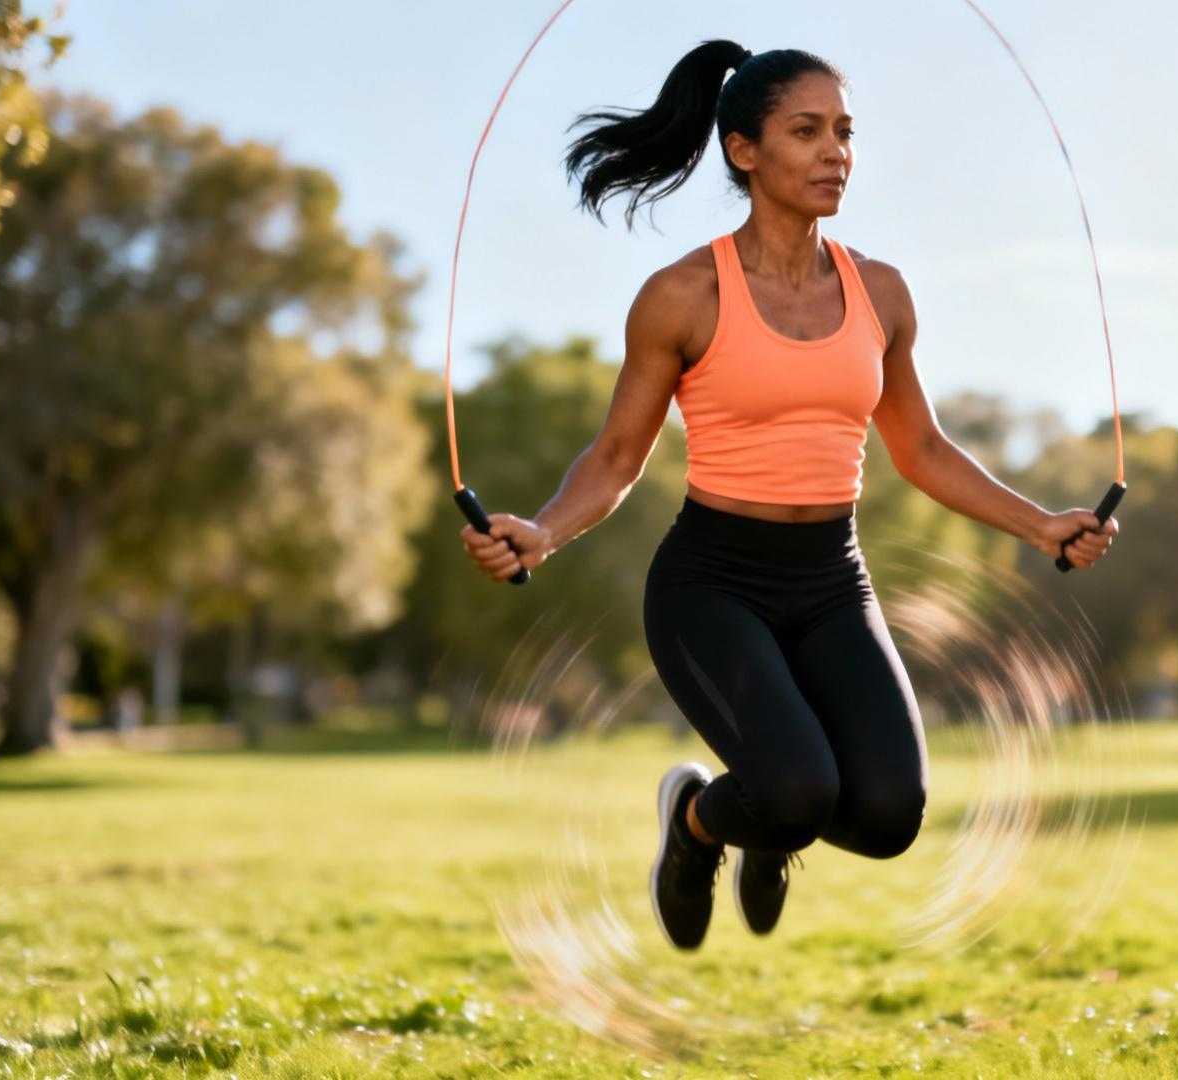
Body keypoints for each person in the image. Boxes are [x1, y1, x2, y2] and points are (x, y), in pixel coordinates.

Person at [459, 40, 1119, 950]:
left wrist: (1040, 525)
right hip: (712, 582)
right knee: (797, 789)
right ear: (744, 151)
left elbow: (921, 448)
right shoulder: (683, 296)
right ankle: (699, 822)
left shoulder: (881, 293)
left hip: (831, 580)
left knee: (888, 816)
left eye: (845, 132)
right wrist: (543, 530)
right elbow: (615, 456)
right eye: (806, 132)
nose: (835, 152)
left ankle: (766, 823)